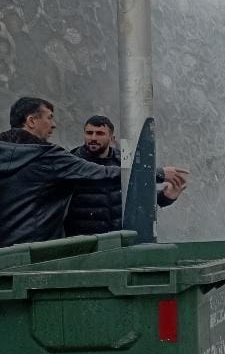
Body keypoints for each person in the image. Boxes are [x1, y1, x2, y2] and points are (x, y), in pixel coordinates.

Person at [0, 97, 121, 248]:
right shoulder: (49, 156)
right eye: (49, 117)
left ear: (111, 137)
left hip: (5, 254)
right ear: (31, 121)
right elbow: (101, 173)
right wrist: (154, 173)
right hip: (38, 253)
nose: (54, 125)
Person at [65, 115, 188, 236]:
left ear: (112, 139)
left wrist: (165, 197)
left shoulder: (123, 159)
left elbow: (137, 196)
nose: (93, 137)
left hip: (118, 240)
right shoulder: (74, 162)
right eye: (89, 133)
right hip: (84, 243)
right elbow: (105, 173)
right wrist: (156, 173)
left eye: (100, 133)